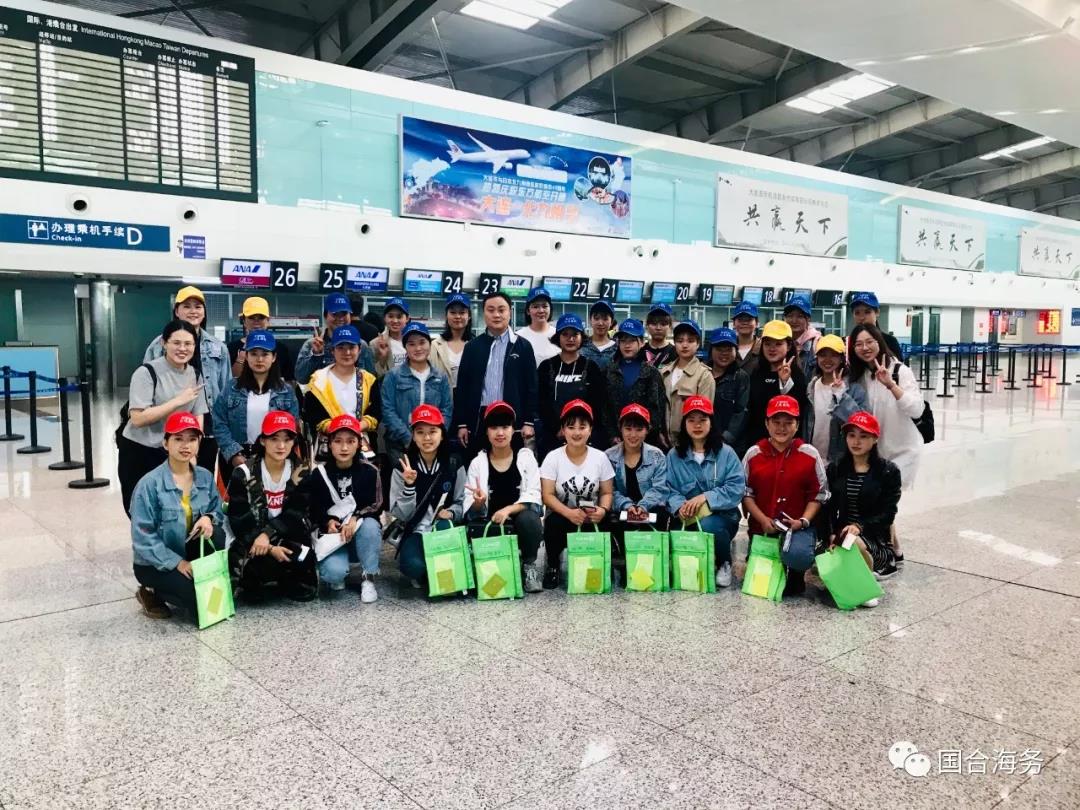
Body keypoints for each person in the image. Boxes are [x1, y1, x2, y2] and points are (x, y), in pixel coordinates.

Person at [129, 411, 224, 621]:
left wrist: (208, 517)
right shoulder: (149, 484)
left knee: (216, 534)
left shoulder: (205, 477)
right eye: (178, 439)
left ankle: (191, 584)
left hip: (189, 551)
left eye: (192, 439)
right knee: (196, 599)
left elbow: (218, 510)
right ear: (165, 443)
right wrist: (178, 563)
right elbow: (143, 538)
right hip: (154, 562)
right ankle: (152, 591)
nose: (185, 445)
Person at [849, 322, 925, 562]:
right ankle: (895, 549)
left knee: (881, 503)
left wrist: (891, 385)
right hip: (877, 452)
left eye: (869, 342)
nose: (864, 348)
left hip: (904, 451)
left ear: (879, 342)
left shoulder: (900, 371)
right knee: (880, 504)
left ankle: (886, 554)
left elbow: (917, 409)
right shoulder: (859, 376)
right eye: (858, 344)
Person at [741, 395, 829, 597]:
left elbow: (819, 494)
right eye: (776, 422)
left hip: (797, 528)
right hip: (762, 528)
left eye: (788, 422)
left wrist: (803, 521)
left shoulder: (809, 454)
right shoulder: (754, 454)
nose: (782, 428)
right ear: (766, 423)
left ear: (797, 425)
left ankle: (797, 571)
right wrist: (762, 519)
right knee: (761, 584)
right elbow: (745, 493)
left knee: (798, 557)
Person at [226, 411, 317, 603]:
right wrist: (266, 546)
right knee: (253, 588)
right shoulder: (243, 473)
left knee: (305, 581)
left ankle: (285, 578)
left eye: (287, 439)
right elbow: (238, 518)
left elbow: (296, 513)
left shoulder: (302, 471)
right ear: (262, 440)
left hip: (287, 537)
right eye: (274, 439)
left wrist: (268, 536)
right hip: (253, 539)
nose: (281, 446)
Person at [119, 320, 208, 516]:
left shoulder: (195, 374)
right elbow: (138, 418)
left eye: (188, 343)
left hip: (173, 451)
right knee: (140, 509)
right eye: (176, 343)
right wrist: (178, 401)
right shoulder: (146, 372)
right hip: (140, 450)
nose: (182, 348)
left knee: (173, 509)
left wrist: (193, 451)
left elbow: (197, 415)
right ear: (164, 343)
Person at [143, 286, 229, 473]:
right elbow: (147, 383)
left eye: (198, 306)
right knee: (169, 475)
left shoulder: (218, 347)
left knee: (203, 474)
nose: (193, 311)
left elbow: (225, 389)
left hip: (207, 424)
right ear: (176, 311)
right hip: (168, 421)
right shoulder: (158, 345)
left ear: (204, 312)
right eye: (186, 306)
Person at [462, 401, 545, 593]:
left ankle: (529, 565)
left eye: (505, 427)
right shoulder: (477, 463)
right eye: (494, 427)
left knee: (530, 519)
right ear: (486, 431)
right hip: (489, 522)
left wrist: (508, 510)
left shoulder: (526, 458)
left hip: (519, 521)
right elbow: (470, 508)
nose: (500, 433)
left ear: (513, 430)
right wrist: (478, 503)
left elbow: (534, 496)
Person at [301, 414, 383, 601]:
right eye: (338, 441)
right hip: (333, 537)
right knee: (333, 574)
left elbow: (376, 505)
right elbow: (313, 508)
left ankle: (368, 578)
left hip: (359, 533)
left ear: (359, 443)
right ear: (329, 444)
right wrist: (328, 522)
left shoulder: (370, 472)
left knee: (371, 525)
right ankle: (338, 571)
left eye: (350, 441)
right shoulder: (319, 474)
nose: (344, 447)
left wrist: (356, 518)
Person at [665, 396, 745, 588]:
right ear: (684, 424)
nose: (697, 425)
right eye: (691, 420)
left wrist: (705, 498)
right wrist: (679, 506)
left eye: (703, 419)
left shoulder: (726, 453)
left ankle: (724, 562)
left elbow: (736, 488)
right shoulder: (674, 455)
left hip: (722, 517)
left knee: (709, 525)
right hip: (687, 517)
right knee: (674, 532)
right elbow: (667, 488)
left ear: (711, 422)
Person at [389, 405, 467, 589]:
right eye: (420, 432)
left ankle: (437, 571)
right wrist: (409, 486)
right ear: (413, 436)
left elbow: (462, 501)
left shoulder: (454, 463)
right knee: (412, 566)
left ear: (442, 434)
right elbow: (400, 514)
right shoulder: (403, 467)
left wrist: (452, 512)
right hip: (416, 530)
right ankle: (428, 568)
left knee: (444, 537)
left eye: (433, 431)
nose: (427, 438)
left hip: (443, 528)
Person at [540, 399, 614, 588]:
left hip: (591, 516)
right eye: (571, 427)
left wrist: (603, 510)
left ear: (590, 430)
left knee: (609, 521)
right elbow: (547, 495)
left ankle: (605, 564)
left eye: (582, 427)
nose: (577, 432)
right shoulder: (553, 458)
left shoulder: (600, 458)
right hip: (564, 514)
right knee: (553, 523)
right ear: (563, 430)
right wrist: (569, 513)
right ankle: (553, 566)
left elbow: (607, 492)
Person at [453, 291, 538, 456]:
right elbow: (462, 387)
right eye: (491, 310)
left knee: (510, 465)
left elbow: (532, 387)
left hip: (511, 418)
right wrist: (462, 424)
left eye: (501, 310)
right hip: (479, 420)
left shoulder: (523, 346)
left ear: (510, 312)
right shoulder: (472, 347)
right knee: (478, 465)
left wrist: (529, 421)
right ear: (483, 313)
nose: (496, 315)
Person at [825, 411, 901, 583]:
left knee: (850, 543)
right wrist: (830, 534)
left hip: (872, 535)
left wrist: (860, 526)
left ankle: (884, 563)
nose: (856, 442)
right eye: (851, 435)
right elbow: (828, 507)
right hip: (843, 531)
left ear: (875, 439)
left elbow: (888, 513)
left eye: (863, 436)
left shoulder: (888, 471)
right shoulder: (836, 469)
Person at [213, 330, 300, 471]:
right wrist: (233, 453)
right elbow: (219, 423)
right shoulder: (231, 388)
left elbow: (292, 427)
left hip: (274, 457)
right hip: (238, 457)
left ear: (274, 357)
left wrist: (279, 451)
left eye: (265, 354)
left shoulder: (286, 392)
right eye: (254, 354)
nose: (259, 359)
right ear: (246, 356)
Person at [605, 404, 671, 581]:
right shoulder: (609, 456)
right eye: (628, 428)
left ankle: (652, 563)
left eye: (639, 429)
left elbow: (660, 488)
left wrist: (642, 506)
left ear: (647, 430)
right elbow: (609, 490)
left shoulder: (657, 455)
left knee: (662, 515)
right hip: (622, 510)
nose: (633, 434)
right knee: (612, 519)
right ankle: (625, 562)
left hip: (649, 508)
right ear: (620, 429)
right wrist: (628, 506)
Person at [381, 321, 453, 471]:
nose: (418, 348)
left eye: (422, 342)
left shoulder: (440, 377)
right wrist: (409, 438)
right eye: (411, 344)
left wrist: (436, 437)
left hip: (432, 444)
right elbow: (388, 411)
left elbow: (446, 410)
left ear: (430, 344)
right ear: (405, 347)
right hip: (400, 445)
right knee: (403, 481)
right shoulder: (393, 376)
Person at [537, 313, 611, 455]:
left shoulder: (591, 368)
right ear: (558, 337)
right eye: (565, 334)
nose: (570, 339)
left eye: (575, 334)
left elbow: (598, 404)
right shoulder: (546, 367)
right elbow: (541, 402)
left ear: (582, 337)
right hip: (552, 437)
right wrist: (558, 428)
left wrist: (582, 430)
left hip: (584, 437)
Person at [303, 325, 380, 458]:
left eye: (351, 347)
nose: (347, 352)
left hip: (363, 447)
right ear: (332, 351)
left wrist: (356, 428)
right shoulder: (318, 381)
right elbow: (314, 416)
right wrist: (341, 432)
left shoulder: (369, 380)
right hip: (329, 448)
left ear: (359, 349)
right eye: (341, 348)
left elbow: (376, 412)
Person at [742, 320, 810, 452]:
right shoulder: (756, 373)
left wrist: (785, 383)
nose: (772, 349)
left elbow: (797, 411)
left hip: (787, 448)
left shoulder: (797, 376)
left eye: (778, 344)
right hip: (758, 447)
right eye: (767, 344)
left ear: (788, 346)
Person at [805, 334, 868, 465]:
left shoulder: (854, 389)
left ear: (841, 359)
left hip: (839, 462)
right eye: (823, 355)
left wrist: (841, 395)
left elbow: (862, 424)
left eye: (833, 355)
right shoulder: (811, 387)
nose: (827, 360)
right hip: (812, 459)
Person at [606, 318, 668, 449]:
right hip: (616, 441)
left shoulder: (651, 372)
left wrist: (648, 432)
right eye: (623, 340)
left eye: (632, 340)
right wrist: (612, 434)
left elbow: (658, 407)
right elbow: (605, 407)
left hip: (645, 439)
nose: (627, 345)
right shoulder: (609, 371)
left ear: (641, 342)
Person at [294, 293, 375, 384]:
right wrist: (316, 355)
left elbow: (371, 380)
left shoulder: (361, 345)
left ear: (350, 316)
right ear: (325, 316)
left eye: (344, 314)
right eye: (335, 314)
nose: (340, 318)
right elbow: (301, 378)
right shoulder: (312, 344)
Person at [661, 319, 715, 448]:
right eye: (680, 341)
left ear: (698, 344)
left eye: (690, 341)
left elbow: (704, 415)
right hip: (663, 441)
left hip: (690, 443)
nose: (684, 345)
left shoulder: (704, 376)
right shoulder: (664, 373)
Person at [228, 296, 292, 381]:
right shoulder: (231, 349)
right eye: (251, 317)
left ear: (268, 320)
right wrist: (241, 358)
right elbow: (229, 380)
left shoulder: (281, 349)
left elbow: (289, 380)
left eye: (261, 317)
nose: (256, 322)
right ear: (243, 321)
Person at [706, 327, 749, 447]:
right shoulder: (702, 373)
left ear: (736, 351)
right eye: (719, 349)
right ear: (711, 350)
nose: (724, 353)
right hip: (701, 440)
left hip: (729, 445)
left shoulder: (741, 377)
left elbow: (741, 412)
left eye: (729, 349)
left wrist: (725, 439)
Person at [430, 292, 473, 387]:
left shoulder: (477, 345)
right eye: (453, 312)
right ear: (446, 316)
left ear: (469, 316)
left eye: (462, 312)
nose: (457, 316)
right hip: (442, 395)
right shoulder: (434, 346)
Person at [849, 292, 903, 361]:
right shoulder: (849, 343)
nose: (862, 317)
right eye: (857, 313)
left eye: (867, 312)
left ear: (877, 312)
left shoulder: (890, 341)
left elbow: (899, 365)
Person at [518, 287, 559, 367]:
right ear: (528, 311)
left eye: (545, 306)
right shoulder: (518, 337)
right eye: (535, 307)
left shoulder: (560, 335)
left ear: (550, 309)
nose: (541, 311)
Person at [783, 294, 821, 381]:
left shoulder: (817, 343)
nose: (794, 320)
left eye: (800, 316)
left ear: (808, 319)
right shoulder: (780, 341)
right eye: (790, 316)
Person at [374, 297, 410, 376]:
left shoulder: (415, 342)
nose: (395, 321)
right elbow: (372, 377)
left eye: (399, 317)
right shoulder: (375, 344)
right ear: (384, 318)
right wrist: (382, 359)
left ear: (407, 318)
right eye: (390, 316)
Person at [580, 299, 617, 369]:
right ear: (590, 321)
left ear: (611, 322)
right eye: (596, 318)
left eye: (605, 319)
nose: (600, 323)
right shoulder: (581, 346)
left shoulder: (618, 349)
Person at [642, 303, 676, 368]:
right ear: (647, 326)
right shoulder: (640, 352)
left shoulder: (676, 353)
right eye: (654, 324)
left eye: (663, 324)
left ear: (670, 326)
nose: (658, 328)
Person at [731, 300, 761, 373]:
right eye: (740, 319)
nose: (744, 323)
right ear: (734, 323)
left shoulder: (763, 347)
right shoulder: (728, 346)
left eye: (749, 319)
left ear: (757, 323)